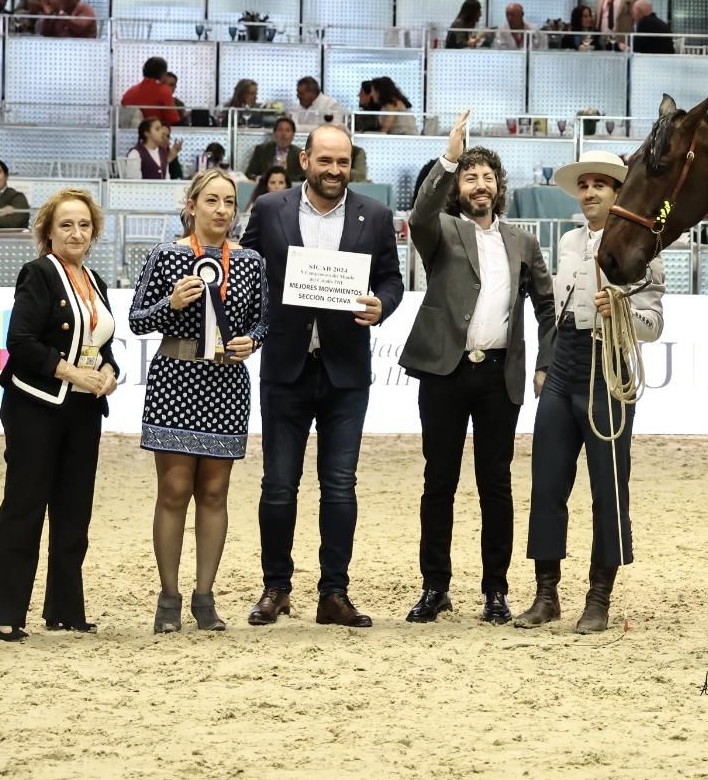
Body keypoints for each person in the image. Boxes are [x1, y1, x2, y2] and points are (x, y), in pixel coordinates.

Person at [240, 124, 405, 629]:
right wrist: (251, 326)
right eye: (326, 160)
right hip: (285, 367)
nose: (335, 170)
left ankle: (334, 593)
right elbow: (247, 268)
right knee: (278, 486)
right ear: (304, 160)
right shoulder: (270, 210)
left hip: (346, 372)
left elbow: (392, 278)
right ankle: (277, 588)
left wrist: (384, 305)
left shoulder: (374, 214)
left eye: (344, 162)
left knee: (339, 486)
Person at [400, 112, 556, 625]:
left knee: (496, 485)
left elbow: (546, 307)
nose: (480, 184)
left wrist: (544, 363)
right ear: (458, 188)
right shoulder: (440, 231)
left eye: (488, 177)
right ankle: (435, 587)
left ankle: (495, 591)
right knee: (438, 481)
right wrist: (450, 155)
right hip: (444, 374)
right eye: (470, 177)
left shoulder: (523, 242)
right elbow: (419, 214)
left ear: (499, 187)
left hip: (498, 378)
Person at [515, 150, 664, 633]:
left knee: (608, 487)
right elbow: (553, 312)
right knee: (547, 484)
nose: (591, 192)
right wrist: (546, 361)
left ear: (618, 193)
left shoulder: (643, 249)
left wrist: (619, 309)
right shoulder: (568, 242)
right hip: (565, 367)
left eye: (601, 184)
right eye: (584, 185)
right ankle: (546, 594)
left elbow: (654, 324)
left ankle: (599, 598)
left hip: (608, 369)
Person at [129, 170, 269, 633]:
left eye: (229, 202)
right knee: (172, 491)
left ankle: (204, 596)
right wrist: (171, 304)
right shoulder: (167, 255)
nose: (221, 210)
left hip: (227, 384)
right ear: (191, 205)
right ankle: (168, 597)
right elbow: (136, 319)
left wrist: (251, 340)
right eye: (212, 200)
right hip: (175, 380)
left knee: (214, 492)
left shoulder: (250, 261)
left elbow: (263, 322)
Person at [0, 190, 121, 641]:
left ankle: (65, 608)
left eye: (83, 225)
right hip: (34, 406)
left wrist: (110, 373)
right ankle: (2, 613)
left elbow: (104, 345)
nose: (76, 233)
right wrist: (72, 373)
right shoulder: (38, 274)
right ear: (47, 232)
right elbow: (20, 343)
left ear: (94, 231)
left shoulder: (94, 278)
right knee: (24, 506)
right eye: (66, 225)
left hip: (84, 410)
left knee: (74, 510)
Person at [121, 56, 181, 127]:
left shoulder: (130, 92)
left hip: (128, 135)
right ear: (163, 74)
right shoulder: (164, 91)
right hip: (155, 135)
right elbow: (173, 119)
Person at [245, 117, 305, 184]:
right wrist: (259, 178)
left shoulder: (299, 154)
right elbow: (249, 174)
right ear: (274, 133)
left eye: (287, 130)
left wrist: (285, 180)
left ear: (293, 135)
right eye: (280, 130)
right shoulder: (261, 150)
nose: (283, 134)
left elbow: (303, 177)